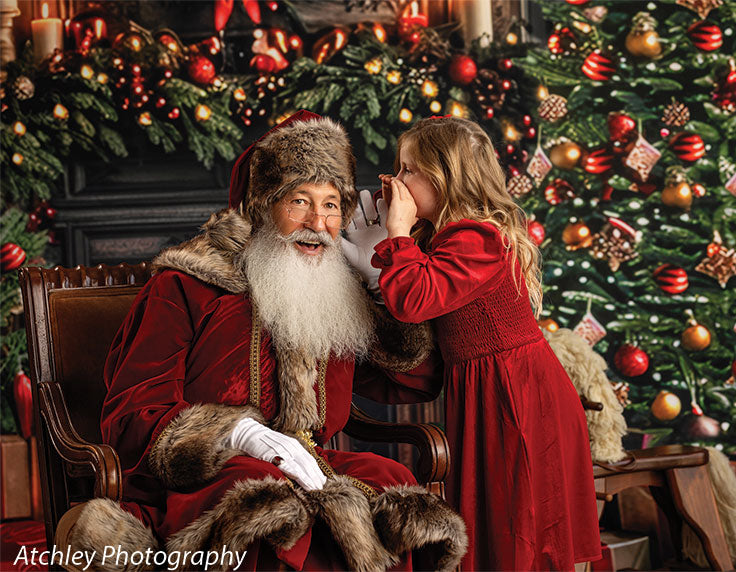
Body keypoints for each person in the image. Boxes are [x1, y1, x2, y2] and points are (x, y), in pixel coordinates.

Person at [65, 111, 467, 572]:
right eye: (299, 201)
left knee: (390, 480)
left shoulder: (336, 289)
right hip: (204, 472)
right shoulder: (188, 284)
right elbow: (132, 411)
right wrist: (241, 433)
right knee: (263, 497)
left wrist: (380, 280)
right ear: (262, 205)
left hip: (313, 464)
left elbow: (410, 383)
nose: (318, 221)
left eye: (332, 204)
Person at [342, 116, 602, 571]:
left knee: (517, 524)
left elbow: (415, 300)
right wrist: (377, 270)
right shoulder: (444, 242)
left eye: (408, 171)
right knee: (495, 526)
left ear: (445, 178)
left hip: (517, 399)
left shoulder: (477, 237)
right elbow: (422, 329)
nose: (395, 183)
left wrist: (396, 236)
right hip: (486, 393)